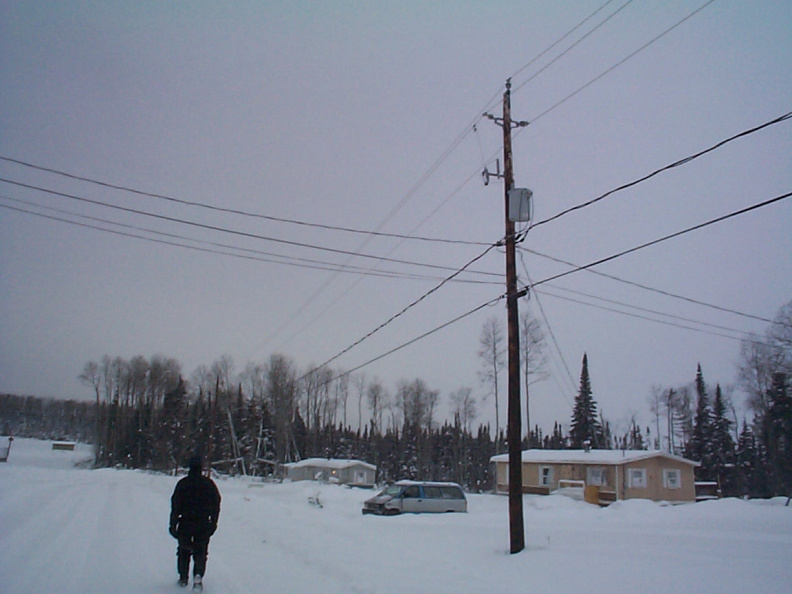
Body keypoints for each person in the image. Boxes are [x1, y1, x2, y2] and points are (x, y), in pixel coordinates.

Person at [170, 455, 221, 590]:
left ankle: (183, 577)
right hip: (203, 523)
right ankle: (198, 575)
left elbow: (175, 505)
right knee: (201, 551)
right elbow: (217, 503)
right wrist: (213, 522)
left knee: (183, 550)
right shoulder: (209, 484)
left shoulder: (183, 484)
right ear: (201, 468)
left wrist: (173, 524)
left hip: (186, 522)